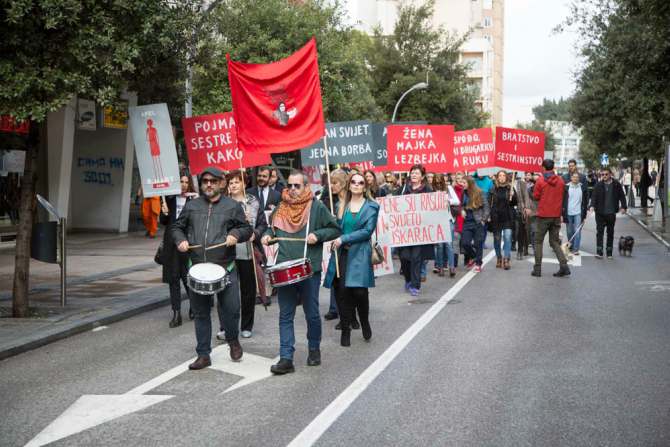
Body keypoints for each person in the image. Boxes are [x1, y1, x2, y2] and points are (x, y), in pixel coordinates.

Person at [172, 167, 253, 370]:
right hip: (198, 267)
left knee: (231, 310)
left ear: (221, 183)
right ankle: (203, 354)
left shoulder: (232, 206)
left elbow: (246, 228)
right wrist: (180, 240)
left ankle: (233, 340)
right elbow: (176, 227)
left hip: (226, 266)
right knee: (200, 313)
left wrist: (235, 234)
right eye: (205, 181)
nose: (209, 184)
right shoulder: (192, 206)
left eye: (213, 181)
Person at [261, 170, 341, 375]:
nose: (292, 190)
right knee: (285, 314)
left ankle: (314, 349)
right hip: (284, 268)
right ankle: (286, 357)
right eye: (290, 186)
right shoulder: (281, 206)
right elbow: (273, 229)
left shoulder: (316, 207)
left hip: (308, 268)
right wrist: (267, 235)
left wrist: (318, 234)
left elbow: (335, 229)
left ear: (306, 187)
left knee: (311, 312)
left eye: (297, 186)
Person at [324, 172, 379, 346]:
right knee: (342, 293)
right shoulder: (341, 205)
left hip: (360, 253)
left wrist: (343, 239)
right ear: (349, 185)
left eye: (360, 182)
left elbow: (367, 232)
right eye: (353, 182)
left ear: (365, 186)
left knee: (360, 292)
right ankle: (346, 329)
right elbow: (337, 230)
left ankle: (364, 321)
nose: (356, 184)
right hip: (342, 254)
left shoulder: (372, 207)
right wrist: (332, 234)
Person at [227, 171, 268, 338]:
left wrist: (255, 234)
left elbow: (262, 224)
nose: (234, 185)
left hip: (248, 251)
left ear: (244, 184)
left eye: (237, 182)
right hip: (227, 252)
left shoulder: (253, 202)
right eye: (231, 183)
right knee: (227, 291)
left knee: (248, 290)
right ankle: (226, 325)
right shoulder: (223, 203)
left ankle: (246, 325)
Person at [160, 174, 197, 327]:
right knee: (173, 279)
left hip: (187, 245)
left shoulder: (194, 200)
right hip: (171, 245)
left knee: (188, 277)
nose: (183, 184)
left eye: (186, 182)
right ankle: (176, 313)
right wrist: (165, 212)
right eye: (181, 182)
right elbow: (163, 222)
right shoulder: (169, 199)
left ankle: (194, 306)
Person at [396, 165, 434, 296]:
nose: (414, 175)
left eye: (417, 173)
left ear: (422, 176)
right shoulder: (403, 189)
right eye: (412, 173)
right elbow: (393, 203)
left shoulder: (427, 190)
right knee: (405, 257)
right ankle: (408, 279)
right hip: (404, 230)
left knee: (416, 258)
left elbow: (434, 206)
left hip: (420, 232)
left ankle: (415, 285)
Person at [531, 159, 569, 278]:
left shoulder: (540, 181)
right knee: (554, 242)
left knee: (538, 241)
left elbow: (536, 196)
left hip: (543, 215)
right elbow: (564, 195)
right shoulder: (561, 181)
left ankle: (537, 269)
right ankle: (564, 266)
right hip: (556, 216)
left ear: (543, 168)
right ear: (553, 167)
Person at [589, 167, 627, 259]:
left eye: (606, 174)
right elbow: (594, 196)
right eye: (602, 175)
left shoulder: (616, 184)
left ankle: (609, 252)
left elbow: (622, 196)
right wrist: (592, 206)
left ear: (610, 175)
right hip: (600, 213)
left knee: (610, 233)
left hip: (611, 213)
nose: (604, 176)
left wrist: (624, 207)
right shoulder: (598, 185)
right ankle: (599, 252)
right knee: (600, 232)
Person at [431, 174, 460, 277]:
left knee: (449, 244)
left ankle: (451, 267)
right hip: (436, 221)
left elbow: (457, 201)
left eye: (440, 181)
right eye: (436, 181)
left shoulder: (448, 188)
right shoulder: (430, 191)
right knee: (439, 245)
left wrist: (448, 200)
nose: (438, 183)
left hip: (447, 219)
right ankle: (440, 267)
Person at [489, 171, 517, 270]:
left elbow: (514, 203)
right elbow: (489, 203)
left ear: (506, 177)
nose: (501, 177)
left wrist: (513, 195)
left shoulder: (510, 188)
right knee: (497, 239)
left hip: (507, 217)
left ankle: (506, 259)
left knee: (508, 237)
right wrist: (489, 215)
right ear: (497, 177)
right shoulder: (493, 189)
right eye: (500, 175)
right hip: (496, 217)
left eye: (503, 175)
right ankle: (499, 257)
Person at [460, 177, 489, 273]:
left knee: (478, 243)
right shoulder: (463, 193)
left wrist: (483, 220)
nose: (462, 184)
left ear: (470, 183)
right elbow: (460, 205)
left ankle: (478, 264)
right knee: (465, 243)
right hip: (467, 222)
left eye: (464, 182)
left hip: (477, 221)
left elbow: (486, 207)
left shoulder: (480, 192)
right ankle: (474, 257)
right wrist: (462, 210)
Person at [562, 172, 589, 256]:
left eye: (577, 177)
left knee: (577, 231)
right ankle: (571, 246)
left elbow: (585, 200)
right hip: (568, 212)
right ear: (571, 178)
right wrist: (562, 214)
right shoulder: (566, 187)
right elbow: (562, 201)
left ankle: (576, 249)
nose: (575, 179)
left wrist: (584, 214)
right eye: (574, 177)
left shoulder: (582, 187)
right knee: (570, 231)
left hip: (578, 212)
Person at [514, 172, 531, 260]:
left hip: (520, 210)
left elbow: (526, 196)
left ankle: (520, 250)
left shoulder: (521, 183)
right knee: (511, 232)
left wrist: (527, 207)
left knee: (520, 230)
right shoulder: (505, 184)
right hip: (508, 211)